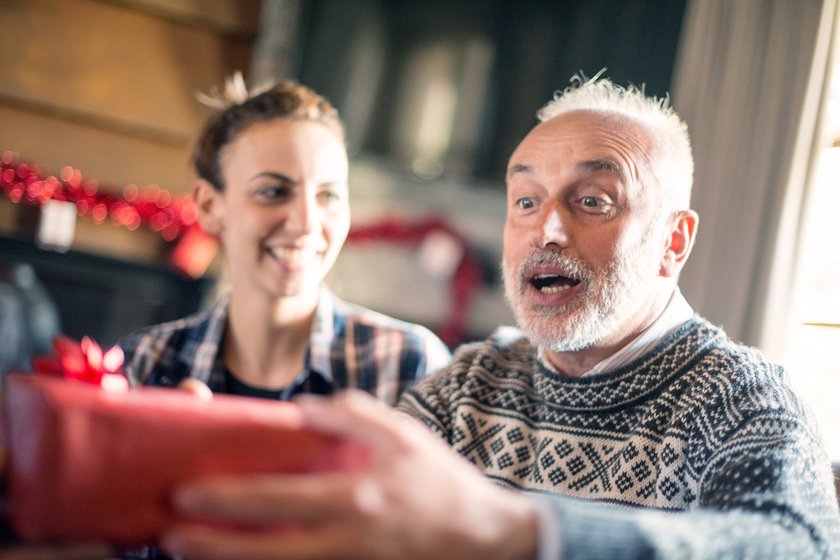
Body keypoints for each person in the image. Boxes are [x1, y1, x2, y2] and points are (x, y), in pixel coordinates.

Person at [156, 76, 840, 560]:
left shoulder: (743, 400)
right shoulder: (470, 386)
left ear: (674, 240)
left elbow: (796, 546)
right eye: (525, 199)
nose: (546, 229)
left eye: (593, 201)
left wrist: (520, 534)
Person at [117, 75, 452, 403]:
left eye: (329, 196)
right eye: (273, 191)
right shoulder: (145, 365)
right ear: (209, 206)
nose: (307, 223)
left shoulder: (411, 366)